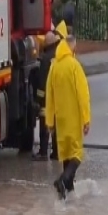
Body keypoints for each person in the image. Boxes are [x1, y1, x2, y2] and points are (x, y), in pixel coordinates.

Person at [45, 34, 91, 199]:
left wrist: (49, 121)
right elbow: (83, 95)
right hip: (74, 119)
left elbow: (49, 96)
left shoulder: (54, 66)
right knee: (77, 154)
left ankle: (67, 192)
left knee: (65, 155)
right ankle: (63, 180)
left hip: (60, 121)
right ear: (73, 47)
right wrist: (86, 119)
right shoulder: (74, 66)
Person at [33, 22, 68, 161]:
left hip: (47, 97)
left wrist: (38, 100)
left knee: (45, 124)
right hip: (59, 96)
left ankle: (42, 152)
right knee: (56, 126)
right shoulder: (60, 56)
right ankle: (56, 153)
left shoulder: (45, 59)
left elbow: (42, 82)